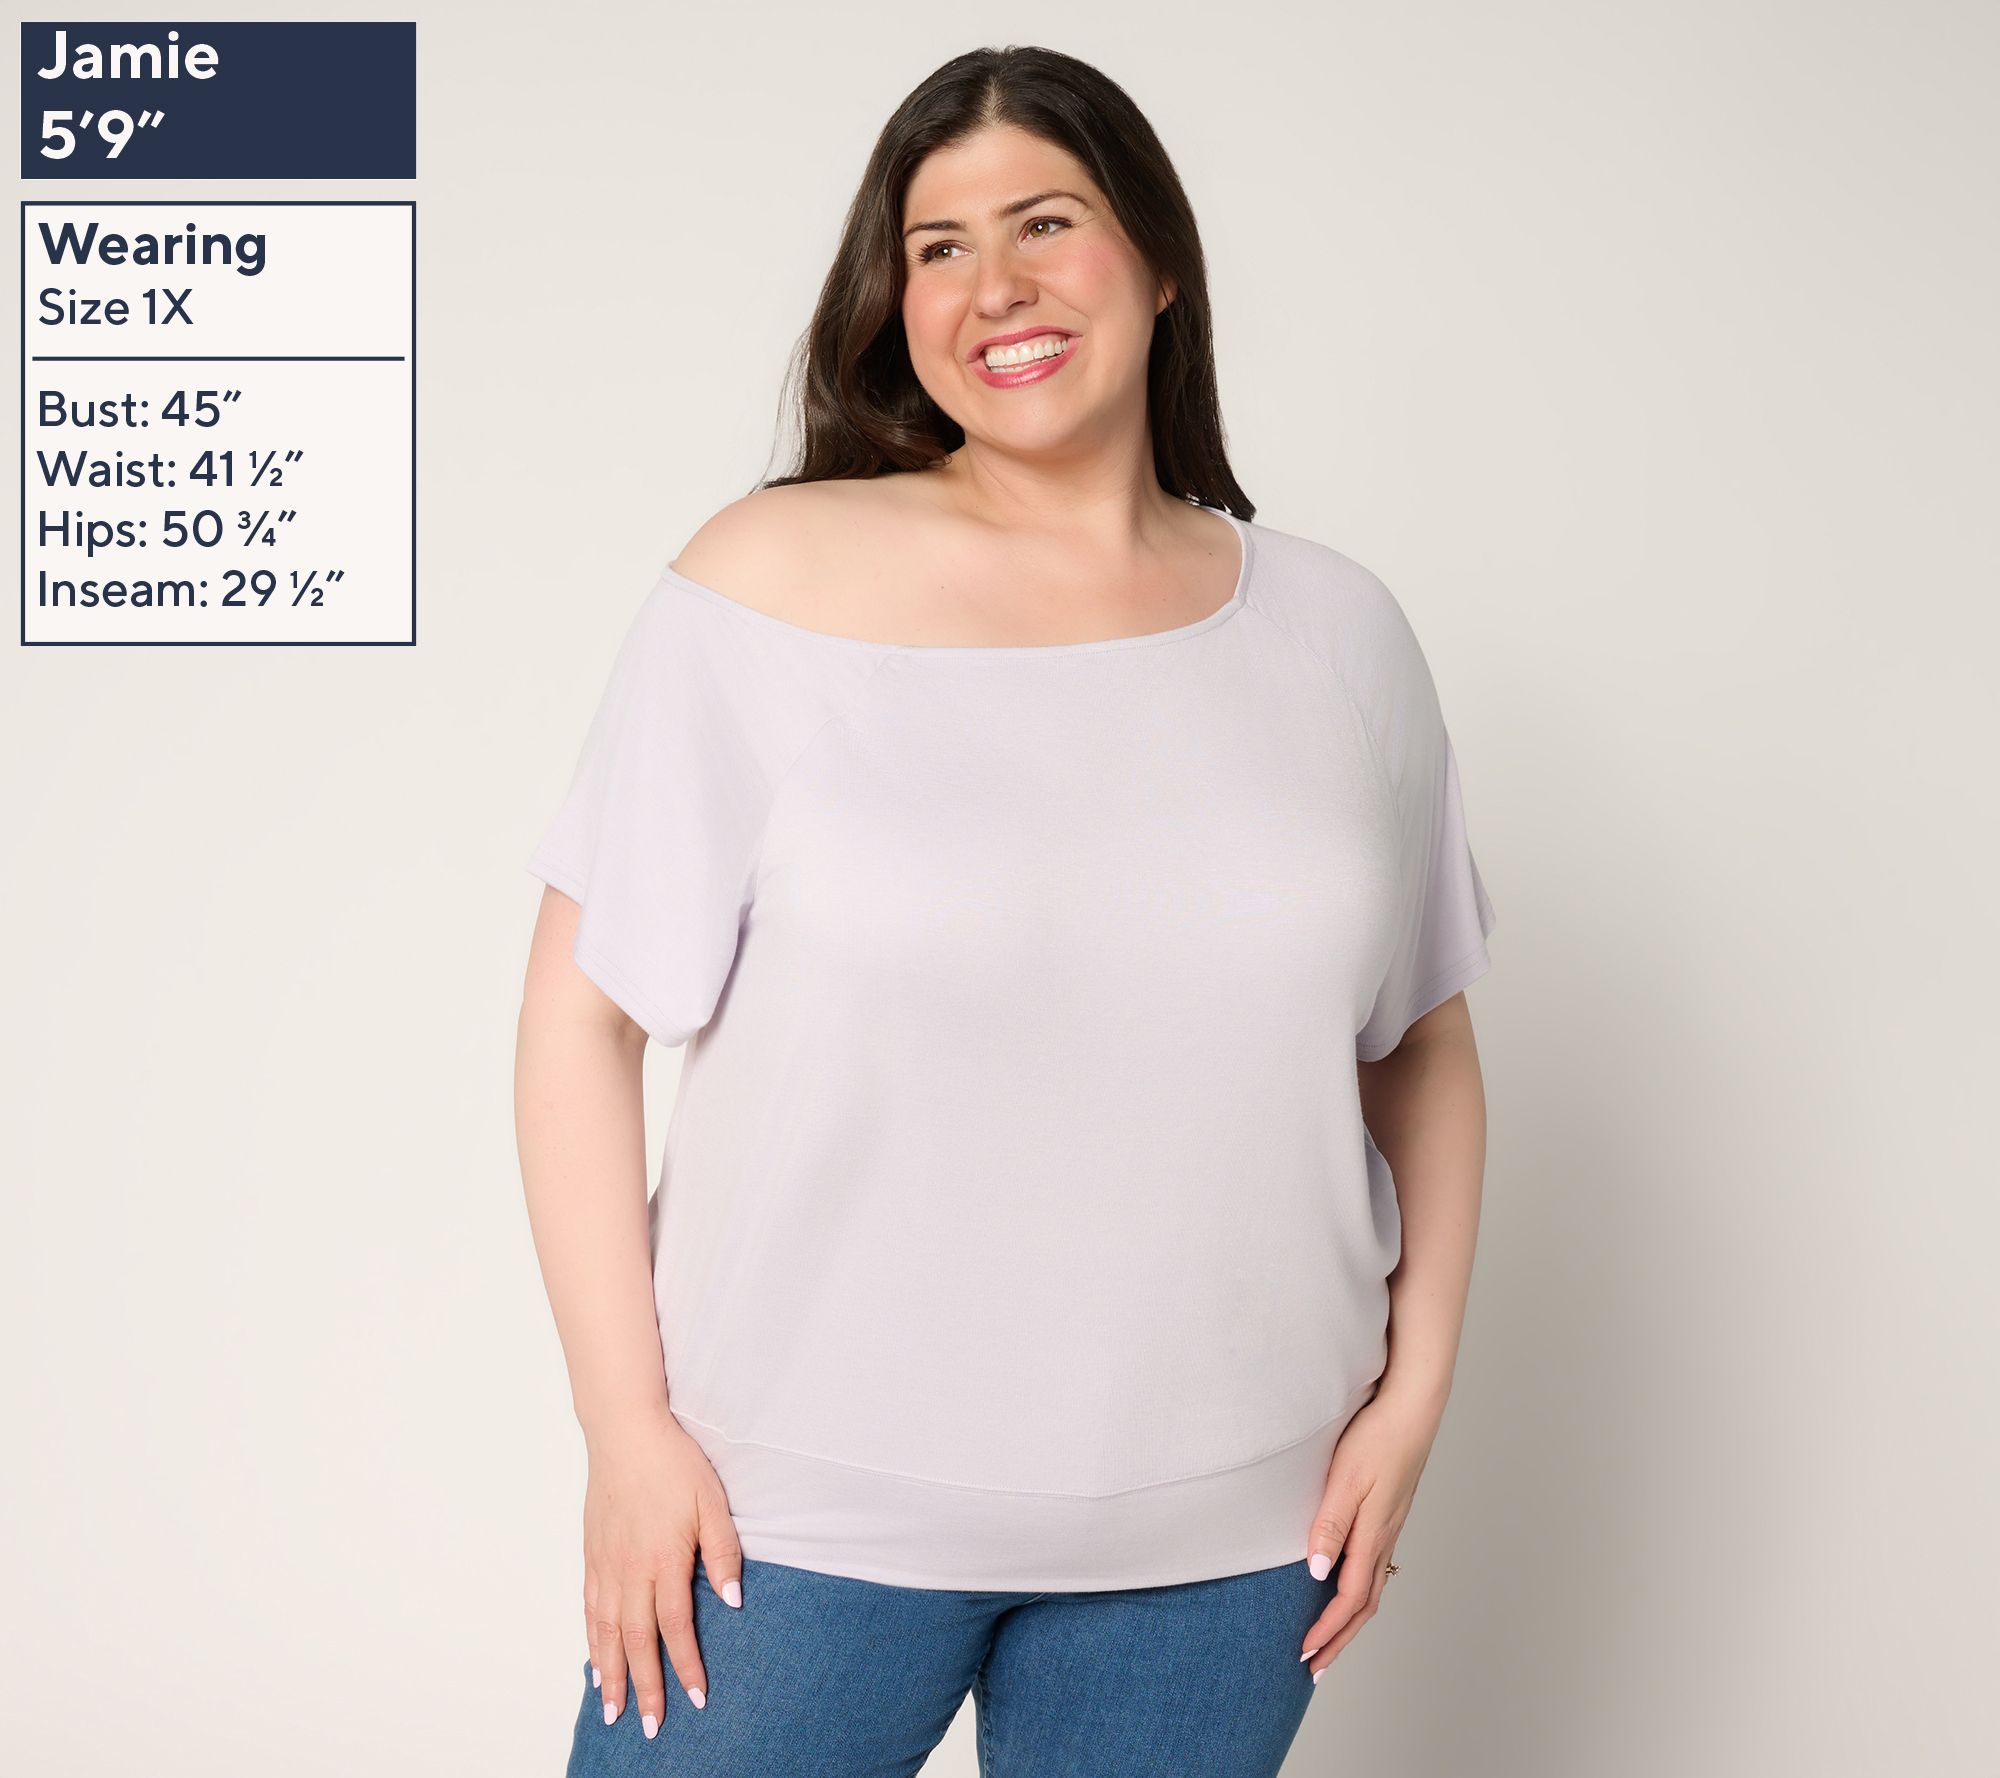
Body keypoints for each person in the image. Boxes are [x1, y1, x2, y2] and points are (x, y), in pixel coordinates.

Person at [515, 43, 1497, 1778]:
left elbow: (1420, 1045)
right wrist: (625, 1428)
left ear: (1159, 257)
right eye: (940, 247)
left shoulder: (1340, 635)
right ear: (894, 302)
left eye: (1046, 222)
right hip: (785, 1515)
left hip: (1230, 1537)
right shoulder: (764, 586)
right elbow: (578, 1018)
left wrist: (1413, 1399)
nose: (996, 287)